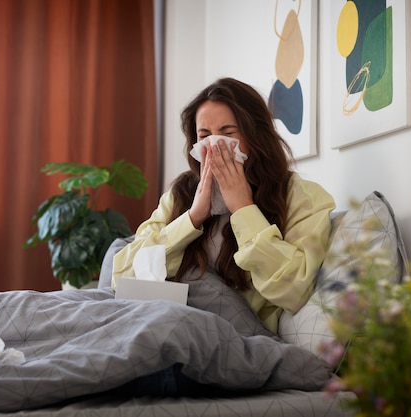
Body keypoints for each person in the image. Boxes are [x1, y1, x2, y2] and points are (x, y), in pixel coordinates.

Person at [112, 77, 335, 334]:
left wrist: (243, 209)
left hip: (230, 336)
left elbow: (293, 290)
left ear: (255, 136)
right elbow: (121, 277)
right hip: (162, 321)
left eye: (228, 134)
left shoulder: (301, 197)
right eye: (204, 136)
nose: (215, 146)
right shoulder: (181, 194)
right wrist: (193, 217)